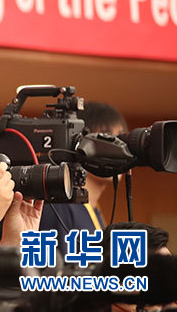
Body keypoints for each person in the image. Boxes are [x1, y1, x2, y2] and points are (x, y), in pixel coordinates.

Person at [40, 102, 126, 248]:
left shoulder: (91, 208)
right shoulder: (59, 206)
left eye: (120, 141)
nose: (119, 150)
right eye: (109, 139)